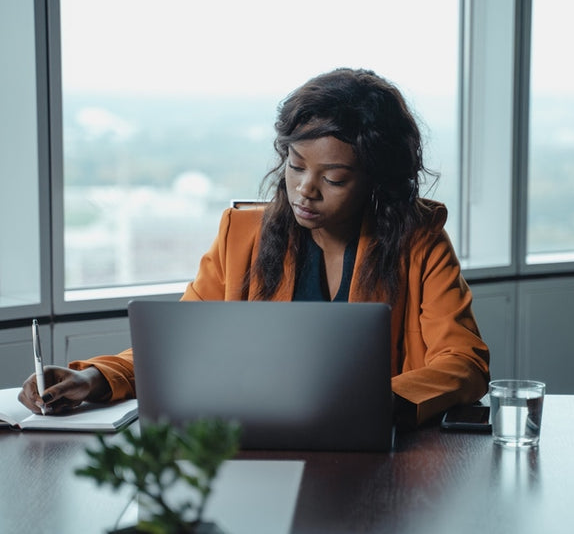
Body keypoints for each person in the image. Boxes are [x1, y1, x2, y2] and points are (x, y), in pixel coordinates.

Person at [19, 68, 490, 428]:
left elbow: (463, 362)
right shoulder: (239, 234)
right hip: (255, 443)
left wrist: (373, 405)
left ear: (377, 183)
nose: (305, 189)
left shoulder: (420, 242)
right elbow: (181, 347)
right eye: (296, 164)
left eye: (334, 179)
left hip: (375, 450)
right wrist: (94, 378)